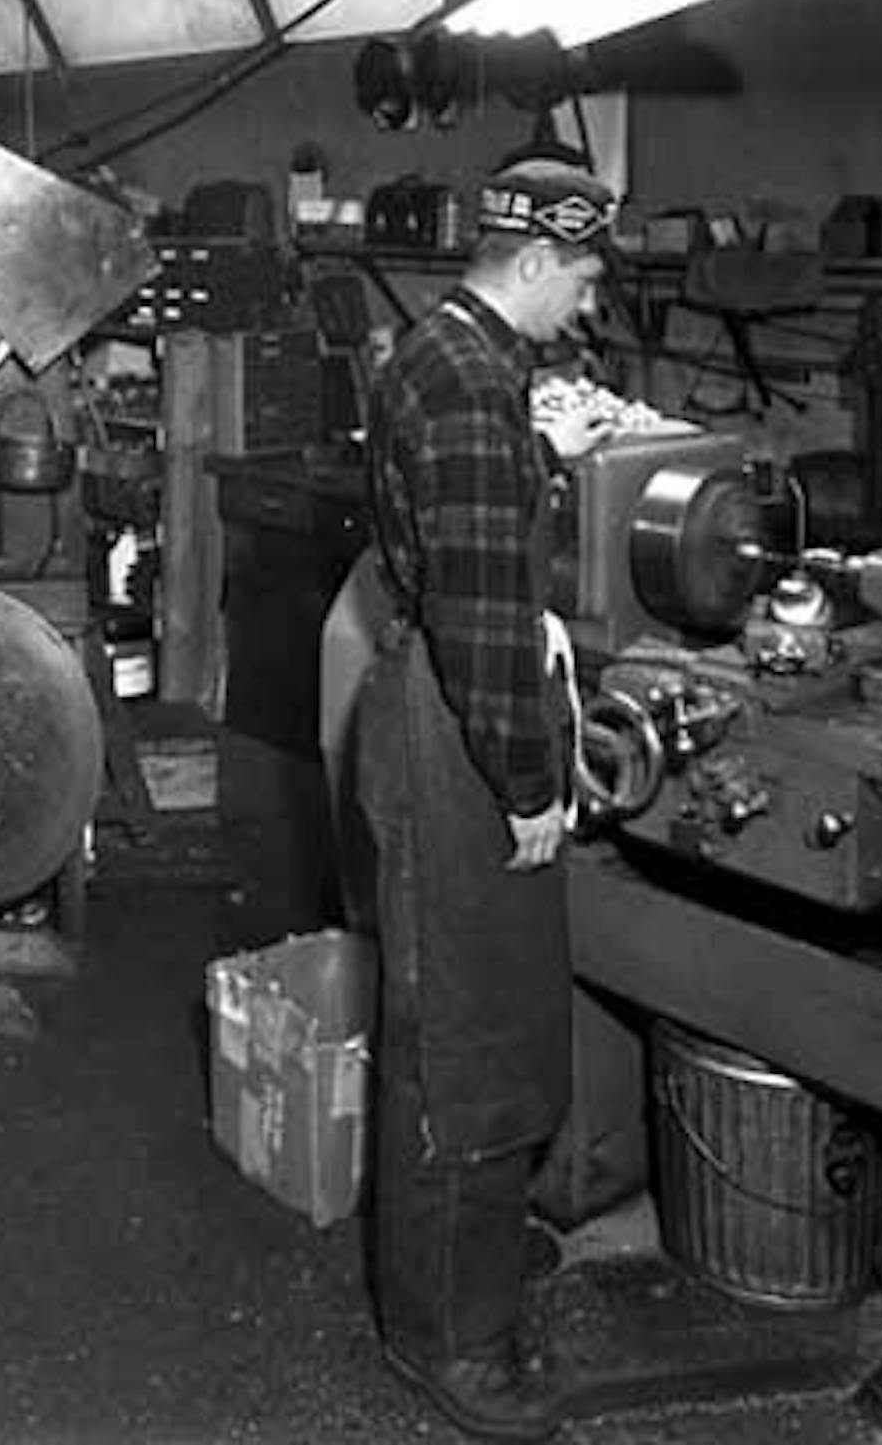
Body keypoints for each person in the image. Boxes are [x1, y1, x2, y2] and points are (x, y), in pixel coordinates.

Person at [353, 151, 622, 1441]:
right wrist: (528, 779)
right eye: (578, 277)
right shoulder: (466, 386)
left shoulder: (459, 362)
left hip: (451, 707)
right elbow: (476, 609)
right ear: (529, 261)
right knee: (460, 1037)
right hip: (459, 737)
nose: (584, 303)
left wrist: (541, 448)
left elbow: (472, 521)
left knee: (491, 1016)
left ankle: (469, 1260)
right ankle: (447, 1340)